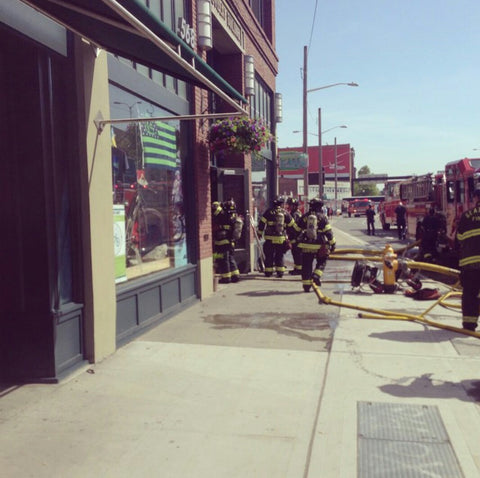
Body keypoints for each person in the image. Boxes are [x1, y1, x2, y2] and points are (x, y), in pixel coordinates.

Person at [296, 198, 336, 292]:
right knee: (322, 260)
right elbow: (329, 233)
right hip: (319, 245)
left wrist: (296, 242)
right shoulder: (322, 217)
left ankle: (306, 286)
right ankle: (316, 275)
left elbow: (297, 230)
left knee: (306, 265)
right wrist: (333, 244)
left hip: (305, 245)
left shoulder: (305, 216)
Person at [455, 184, 480, 331]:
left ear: (476, 198)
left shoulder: (466, 216)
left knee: (470, 294)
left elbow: (459, 238)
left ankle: (469, 325)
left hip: (470, 264)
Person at [257, 195, 299, 278]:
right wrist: (295, 234)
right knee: (279, 255)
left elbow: (262, 223)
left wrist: (259, 233)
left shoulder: (268, 212)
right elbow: (292, 225)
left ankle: (268, 272)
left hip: (269, 239)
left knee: (269, 255)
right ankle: (280, 272)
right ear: (281, 204)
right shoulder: (285, 213)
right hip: (281, 239)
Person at [212, 199, 241, 284]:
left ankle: (226, 278)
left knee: (224, 260)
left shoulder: (222, 213)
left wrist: (219, 204)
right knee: (230, 258)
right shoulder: (234, 215)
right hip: (231, 240)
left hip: (222, 240)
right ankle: (235, 276)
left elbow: (214, 207)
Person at [286, 197, 303, 275]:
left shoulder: (295, 214)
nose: (289, 206)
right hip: (295, 237)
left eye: (290, 205)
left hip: (296, 237)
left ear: (294, 206)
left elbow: (294, 227)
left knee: (297, 254)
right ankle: (296, 268)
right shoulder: (295, 213)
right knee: (295, 254)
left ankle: (299, 270)